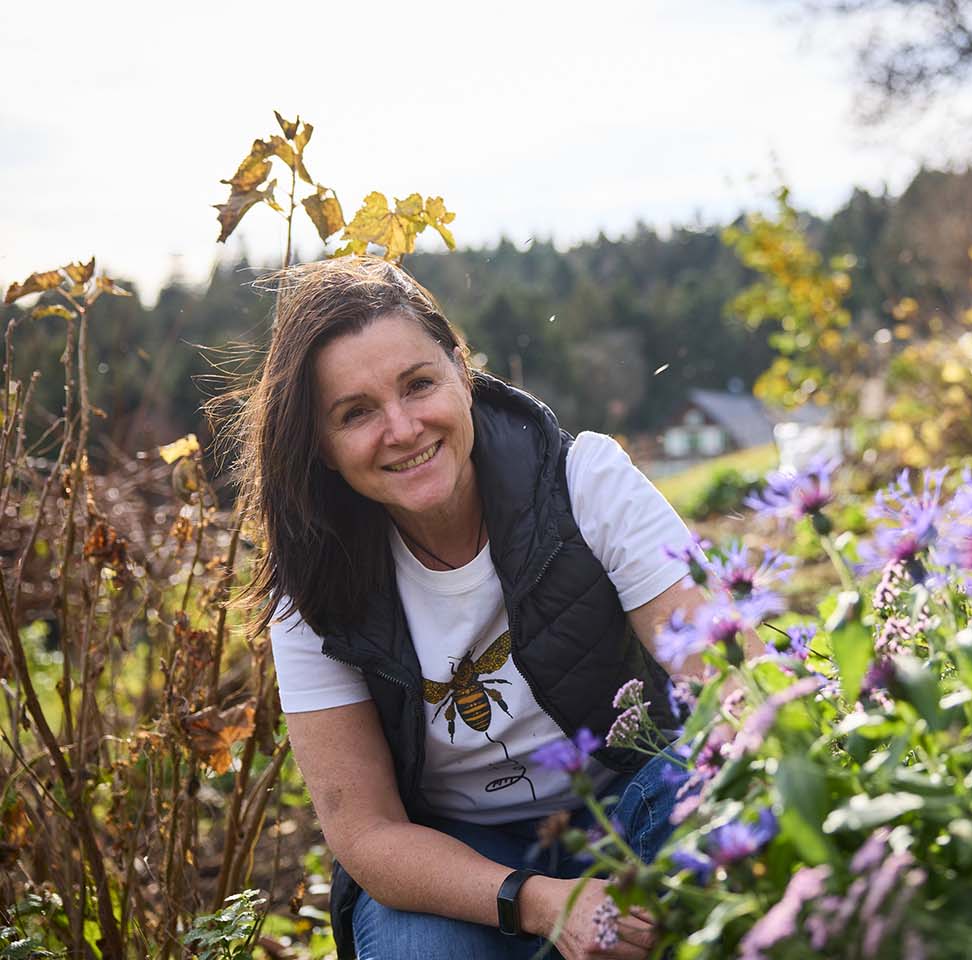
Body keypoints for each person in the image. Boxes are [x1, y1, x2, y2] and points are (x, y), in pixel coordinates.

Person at [229, 256, 704, 959]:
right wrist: (542, 902)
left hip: (632, 795)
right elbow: (367, 833)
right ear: (323, 448)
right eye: (356, 414)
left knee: (731, 832)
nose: (401, 428)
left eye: (418, 385)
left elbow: (726, 677)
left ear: (462, 372)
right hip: (460, 861)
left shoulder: (587, 482)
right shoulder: (310, 597)